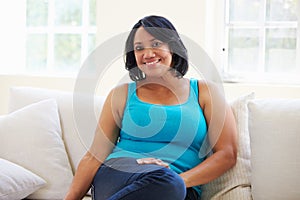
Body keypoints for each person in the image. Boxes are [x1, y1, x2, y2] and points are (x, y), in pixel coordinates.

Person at [64, 15, 238, 200]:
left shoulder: (205, 92)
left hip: (178, 189)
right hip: (119, 175)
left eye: (156, 44)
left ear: (173, 47)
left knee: (167, 185)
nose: (147, 54)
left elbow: (227, 154)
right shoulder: (121, 94)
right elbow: (94, 156)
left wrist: (175, 180)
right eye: (139, 48)